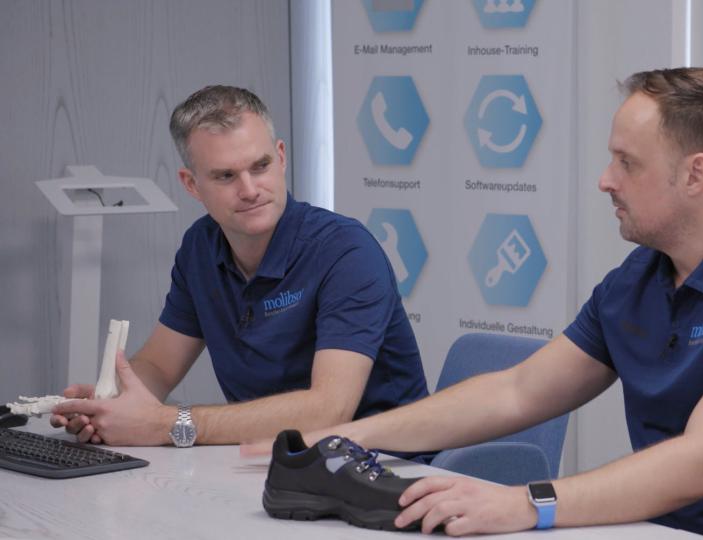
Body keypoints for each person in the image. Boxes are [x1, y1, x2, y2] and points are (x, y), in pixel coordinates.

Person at [254, 68, 703, 539]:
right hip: (645, 530)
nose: (605, 180)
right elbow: (516, 391)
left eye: (627, 163)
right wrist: (350, 436)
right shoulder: (636, 283)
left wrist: (526, 503)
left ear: (695, 175)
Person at [51, 85, 429, 447]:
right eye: (226, 176)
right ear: (192, 185)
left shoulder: (347, 251)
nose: (249, 190)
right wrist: (109, 403)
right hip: (269, 463)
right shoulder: (200, 247)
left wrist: (167, 424)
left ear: (280, 158)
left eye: (260, 166)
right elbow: (158, 366)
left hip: (386, 469)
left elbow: (328, 410)